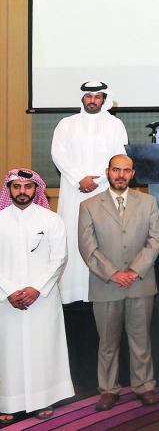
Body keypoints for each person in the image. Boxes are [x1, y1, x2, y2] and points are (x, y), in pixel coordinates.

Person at [78, 154, 159, 410]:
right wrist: (113, 273)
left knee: (141, 340)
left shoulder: (148, 202)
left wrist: (135, 271)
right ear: (107, 171)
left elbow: (155, 240)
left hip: (141, 283)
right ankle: (108, 389)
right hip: (106, 284)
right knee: (107, 343)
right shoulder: (89, 205)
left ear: (133, 173)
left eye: (126, 171)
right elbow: (87, 247)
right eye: (116, 170)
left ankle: (144, 386)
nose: (121, 175)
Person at [0, 168, 73, 423]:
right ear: (9, 189)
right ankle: (9, 401)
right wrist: (9, 291)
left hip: (41, 298)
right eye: (17, 186)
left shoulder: (51, 220)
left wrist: (35, 288)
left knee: (42, 349)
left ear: (36, 189)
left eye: (28, 187)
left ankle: (43, 399)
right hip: (7, 300)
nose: (22, 191)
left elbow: (59, 258)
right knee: (8, 351)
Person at [50, 81, 128, 303]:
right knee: (74, 235)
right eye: (88, 96)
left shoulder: (115, 125)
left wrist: (98, 179)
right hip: (74, 191)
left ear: (104, 99)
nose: (92, 100)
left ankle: (103, 287)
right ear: (82, 99)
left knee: (103, 237)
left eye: (97, 96)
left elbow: (119, 157)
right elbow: (58, 154)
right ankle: (73, 291)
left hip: (104, 189)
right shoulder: (66, 124)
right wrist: (79, 178)